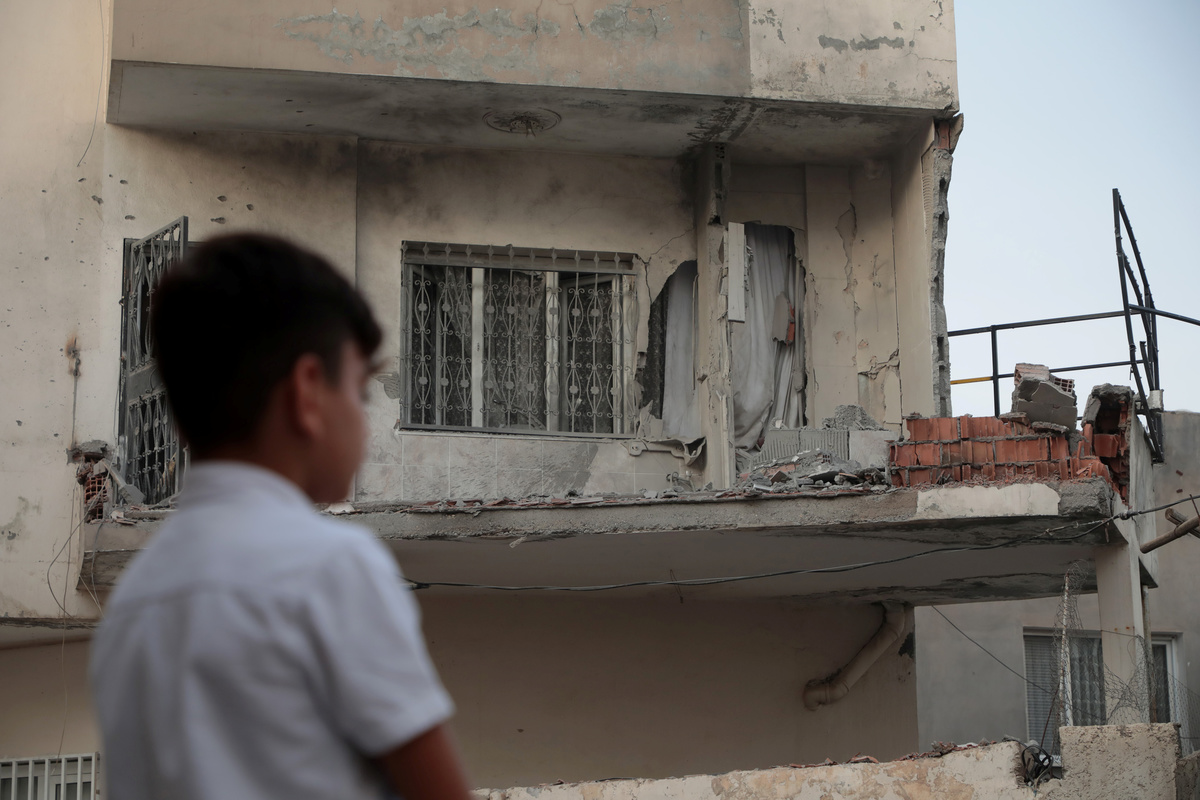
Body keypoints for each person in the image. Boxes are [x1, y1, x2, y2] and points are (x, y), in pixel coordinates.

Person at [90, 234, 473, 800]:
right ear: (307, 393)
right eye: (361, 394)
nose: (363, 422)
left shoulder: (131, 606)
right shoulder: (332, 565)